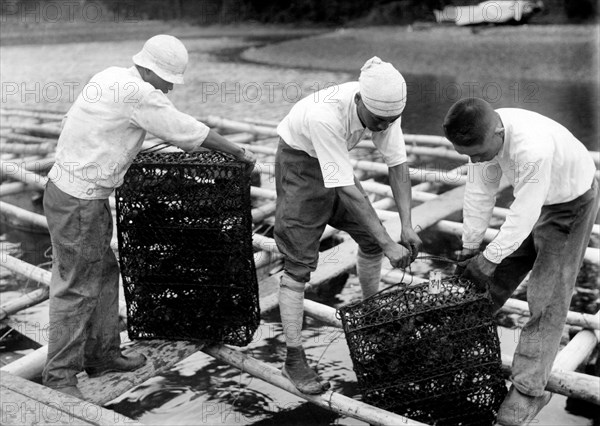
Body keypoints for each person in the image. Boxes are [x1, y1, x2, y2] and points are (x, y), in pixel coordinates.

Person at [42, 34, 256, 399]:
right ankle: (60, 377)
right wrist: (239, 153)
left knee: (104, 271)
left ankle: (102, 353)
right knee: (75, 288)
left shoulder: (110, 75)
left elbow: (76, 120)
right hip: (79, 202)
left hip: (66, 191)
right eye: (170, 80)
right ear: (154, 71)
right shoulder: (140, 93)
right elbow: (188, 131)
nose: (171, 88)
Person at [443, 97, 598, 426]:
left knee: (547, 296)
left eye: (478, 152)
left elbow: (524, 212)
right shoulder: (484, 138)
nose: (474, 159)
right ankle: (457, 347)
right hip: (538, 197)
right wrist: (472, 247)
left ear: (498, 132)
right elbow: (480, 193)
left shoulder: (532, 149)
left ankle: (529, 389)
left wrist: (490, 257)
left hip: (571, 202)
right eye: (467, 155)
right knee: (486, 278)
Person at [274, 56, 423, 394]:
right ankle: (293, 359)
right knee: (298, 266)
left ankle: (372, 313)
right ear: (358, 100)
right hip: (299, 163)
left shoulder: (386, 106)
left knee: (370, 241)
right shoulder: (325, 115)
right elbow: (347, 189)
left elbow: (398, 166)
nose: (383, 127)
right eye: (378, 121)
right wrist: (388, 242)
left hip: (334, 161)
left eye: (390, 121)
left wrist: (407, 225)